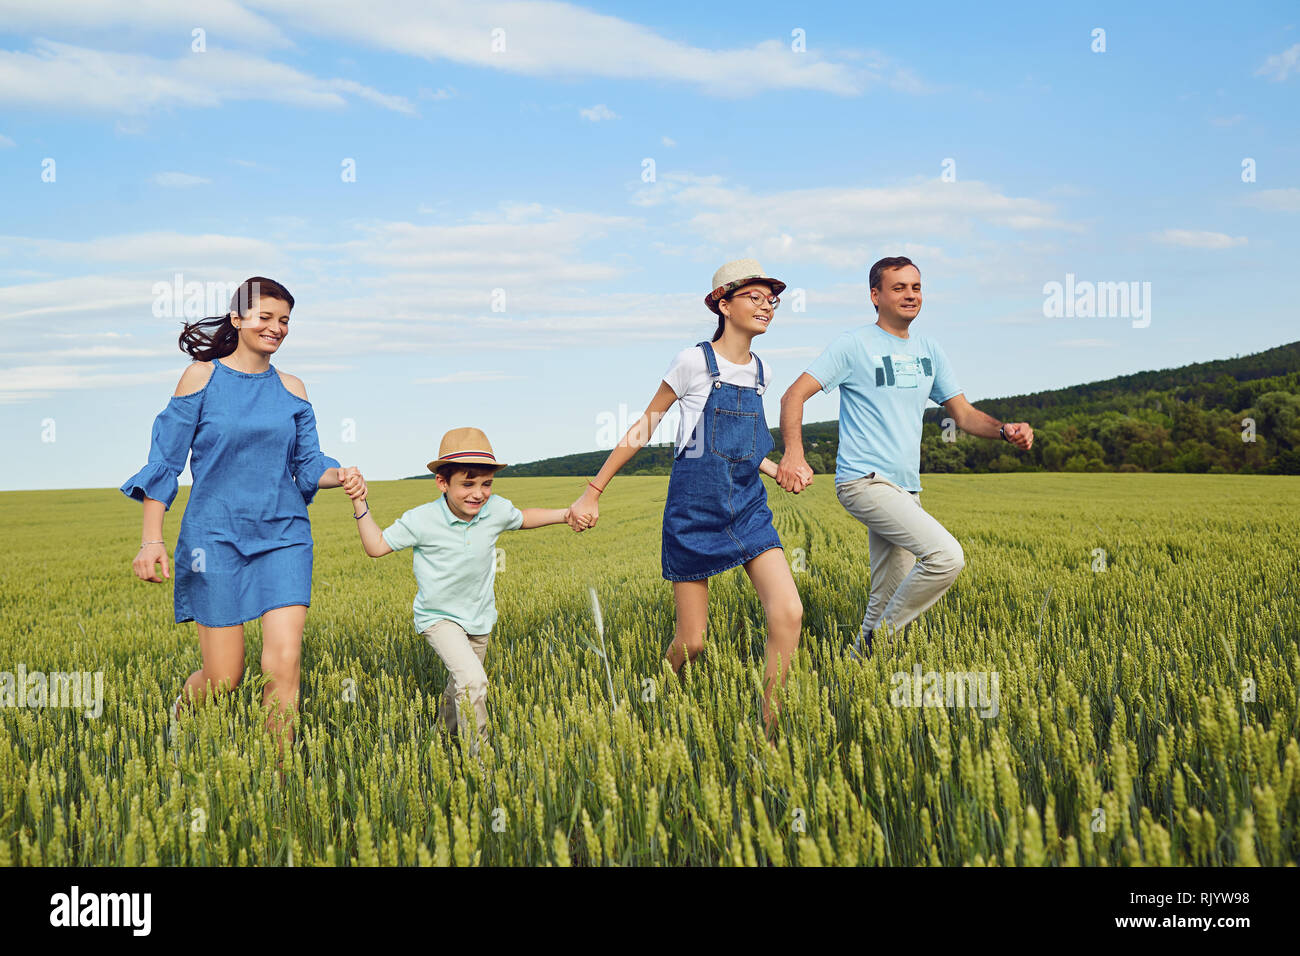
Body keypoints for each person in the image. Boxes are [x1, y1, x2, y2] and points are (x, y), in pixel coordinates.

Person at [123, 277, 363, 756]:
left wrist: (339, 474)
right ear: (237, 319)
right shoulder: (202, 377)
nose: (277, 328)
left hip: (284, 535)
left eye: (285, 321)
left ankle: (279, 784)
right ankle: (181, 713)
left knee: (283, 664)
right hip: (213, 540)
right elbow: (166, 462)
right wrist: (152, 540)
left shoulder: (293, 388)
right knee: (223, 678)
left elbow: (308, 462)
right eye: (266, 317)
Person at [568, 259, 806, 736]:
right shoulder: (693, 361)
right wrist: (593, 491)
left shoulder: (762, 370)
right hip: (695, 510)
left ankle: (771, 729)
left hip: (748, 507)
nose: (766, 306)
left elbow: (743, 447)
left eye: (771, 299)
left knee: (789, 612)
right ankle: (653, 707)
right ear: (723, 303)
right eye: (754, 297)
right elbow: (645, 427)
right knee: (692, 644)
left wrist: (775, 467)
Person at [777, 256, 1034, 656]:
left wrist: (1004, 430)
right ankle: (881, 642)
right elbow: (793, 395)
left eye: (916, 287)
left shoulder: (930, 349)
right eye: (899, 288)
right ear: (875, 295)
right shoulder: (853, 345)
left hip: (905, 488)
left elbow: (963, 415)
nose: (910, 295)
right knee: (946, 557)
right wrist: (794, 453)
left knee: (887, 592)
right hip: (863, 481)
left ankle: (856, 665)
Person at [347, 427, 574, 754]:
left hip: (480, 619)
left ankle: (438, 746)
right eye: (467, 484)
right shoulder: (422, 520)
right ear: (443, 482)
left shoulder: (494, 510)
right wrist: (359, 501)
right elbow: (377, 546)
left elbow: (523, 518)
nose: (479, 493)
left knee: (460, 688)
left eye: (486, 484)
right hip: (439, 619)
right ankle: (478, 768)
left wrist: (565, 514)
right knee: (473, 681)